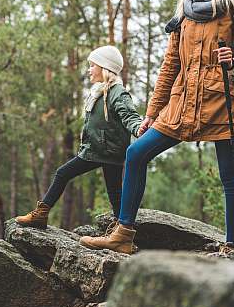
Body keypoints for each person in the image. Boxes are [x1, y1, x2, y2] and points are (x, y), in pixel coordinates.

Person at [80, 0, 234, 255]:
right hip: (181, 105)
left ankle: (232, 246)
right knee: (136, 152)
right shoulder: (184, 11)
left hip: (223, 104)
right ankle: (123, 234)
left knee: (230, 177)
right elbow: (170, 67)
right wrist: (151, 112)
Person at [15, 45, 142, 231]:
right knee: (114, 192)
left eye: (92, 65)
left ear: (105, 67)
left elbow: (130, 116)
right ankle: (121, 228)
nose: (89, 69)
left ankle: (41, 215)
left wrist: (139, 128)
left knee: (63, 173)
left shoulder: (117, 93)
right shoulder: (99, 92)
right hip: (101, 150)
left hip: (104, 150)